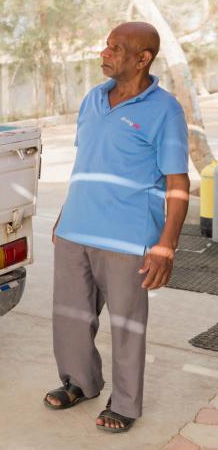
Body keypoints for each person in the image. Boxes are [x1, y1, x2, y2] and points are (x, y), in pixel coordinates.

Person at [44, 22, 190, 433]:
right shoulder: (93, 99)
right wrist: (63, 213)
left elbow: (178, 183)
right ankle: (80, 382)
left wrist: (166, 246)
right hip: (76, 229)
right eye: (105, 46)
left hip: (128, 237)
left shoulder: (165, 110)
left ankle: (124, 403)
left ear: (143, 59)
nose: (104, 54)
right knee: (70, 317)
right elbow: (86, 163)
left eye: (115, 48)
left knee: (126, 326)